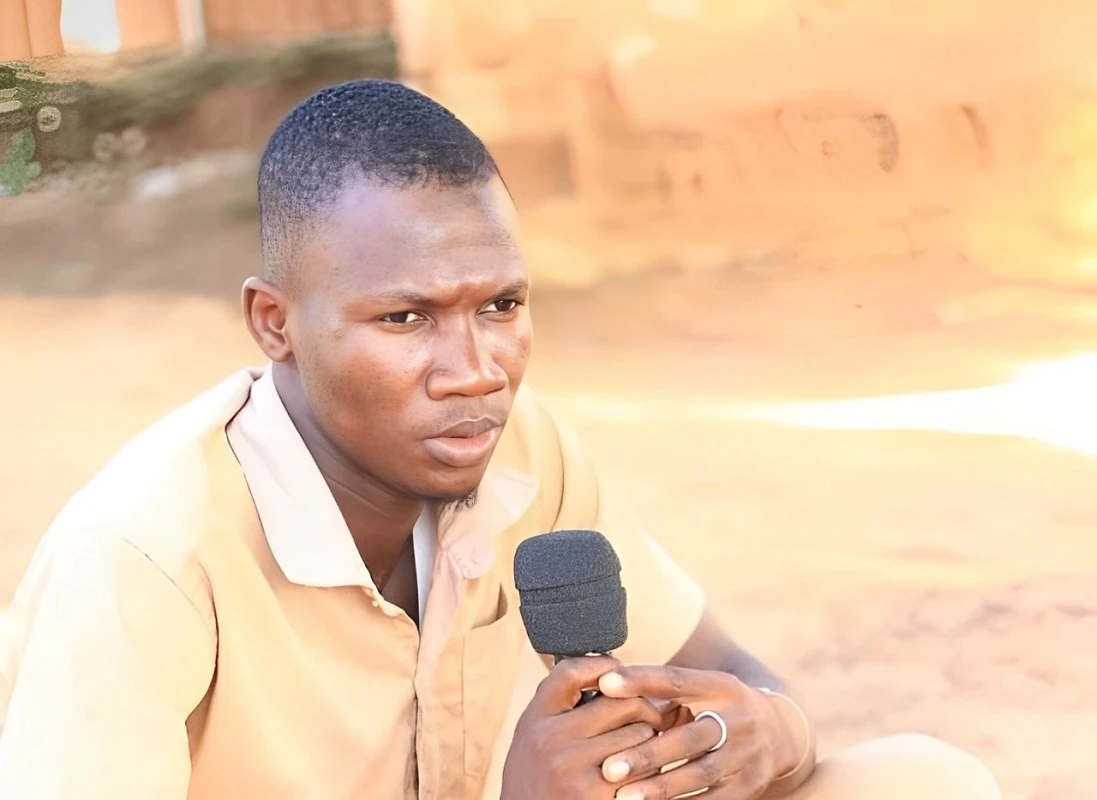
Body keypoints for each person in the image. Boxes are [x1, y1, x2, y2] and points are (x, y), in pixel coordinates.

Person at [0, 79, 1000, 800]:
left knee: (924, 780)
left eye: (502, 303)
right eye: (406, 318)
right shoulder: (141, 560)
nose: (474, 366)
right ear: (274, 324)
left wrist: (760, 731)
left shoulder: (521, 451)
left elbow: (730, 667)